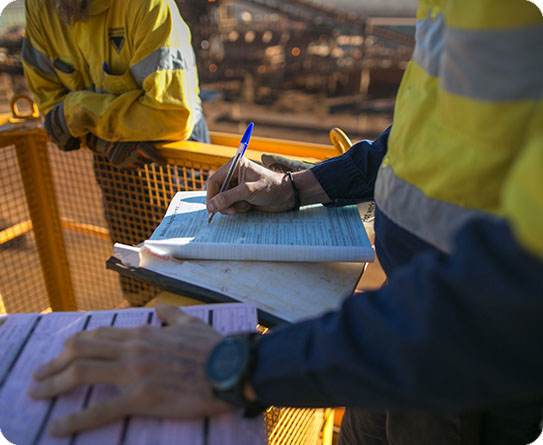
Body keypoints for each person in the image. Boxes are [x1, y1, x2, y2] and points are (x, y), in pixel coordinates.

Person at [28, 0, 543, 443]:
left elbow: (501, 305)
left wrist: (240, 366)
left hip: (460, 375)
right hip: (393, 325)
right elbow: (412, 138)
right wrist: (295, 187)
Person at [21, 0, 210, 305]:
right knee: (135, 275)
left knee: (194, 281)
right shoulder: (43, 7)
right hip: (111, 161)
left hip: (176, 159)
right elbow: (49, 106)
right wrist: (107, 139)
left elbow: (172, 115)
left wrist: (79, 110)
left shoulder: (145, 6)